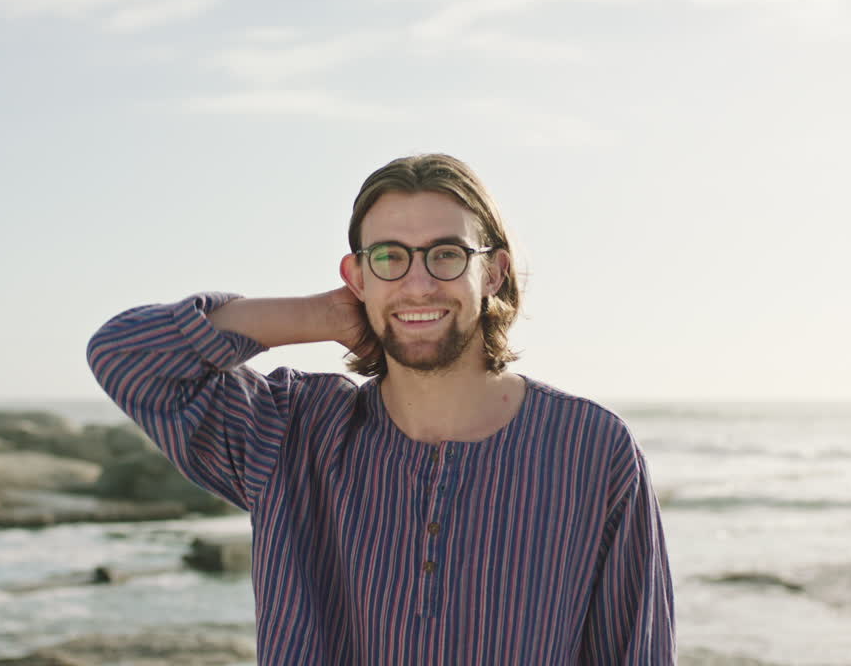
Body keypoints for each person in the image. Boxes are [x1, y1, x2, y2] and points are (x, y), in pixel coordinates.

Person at [87, 153, 675, 665]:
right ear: (356, 275)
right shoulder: (290, 432)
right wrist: (324, 317)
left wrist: (382, 294)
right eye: (390, 257)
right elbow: (127, 355)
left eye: (446, 255)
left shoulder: (592, 449)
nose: (418, 284)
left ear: (492, 271)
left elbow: (635, 650)